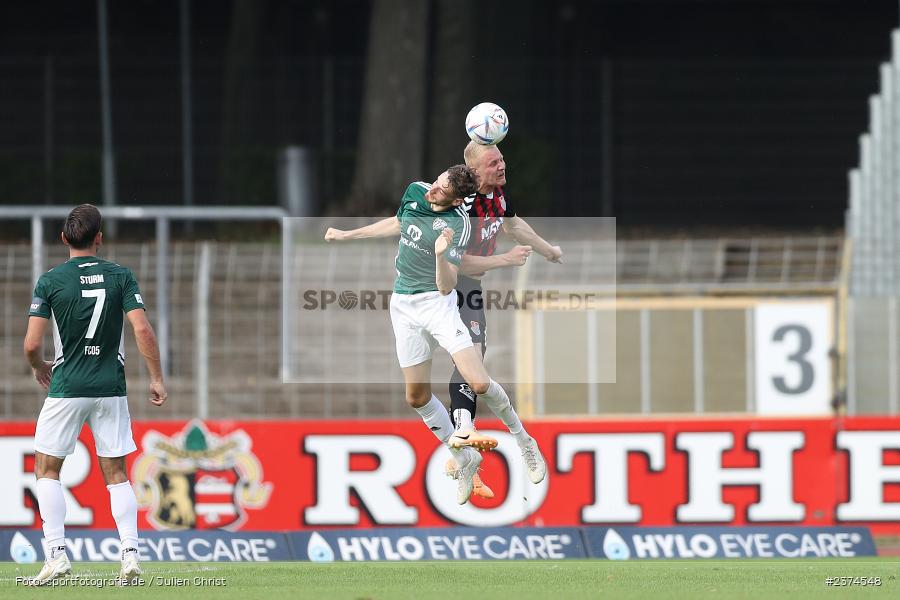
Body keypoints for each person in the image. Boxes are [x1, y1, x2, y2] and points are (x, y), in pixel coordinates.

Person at [324, 165, 536, 505]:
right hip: (403, 306)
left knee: (478, 383)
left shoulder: (457, 224)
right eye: (436, 181)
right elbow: (396, 223)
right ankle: (467, 460)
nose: (432, 190)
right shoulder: (414, 191)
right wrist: (347, 235)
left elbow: (447, 284)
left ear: (456, 200)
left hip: (437, 305)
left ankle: (524, 439)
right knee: (416, 397)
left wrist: (440, 255)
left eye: (440, 190)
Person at [23, 204, 167, 585]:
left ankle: (56, 555)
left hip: (67, 386)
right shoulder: (121, 276)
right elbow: (143, 331)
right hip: (110, 388)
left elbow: (32, 343)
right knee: (117, 472)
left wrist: (39, 366)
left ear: (64, 239)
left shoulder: (50, 281)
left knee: (47, 468)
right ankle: (131, 557)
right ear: (99, 238)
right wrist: (156, 377)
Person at [444, 141, 562, 499]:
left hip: (468, 290)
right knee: (416, 394)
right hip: (437, 291)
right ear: (475, 171)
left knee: (474, 373)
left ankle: (514, 440)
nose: (502, 165)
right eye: (494, 162)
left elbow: (514, 226)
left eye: (502, 159)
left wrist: (547, 249)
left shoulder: (497, 197)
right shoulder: (460, 209)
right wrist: (506, 261)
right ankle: (466, 452)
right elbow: (456, 264)